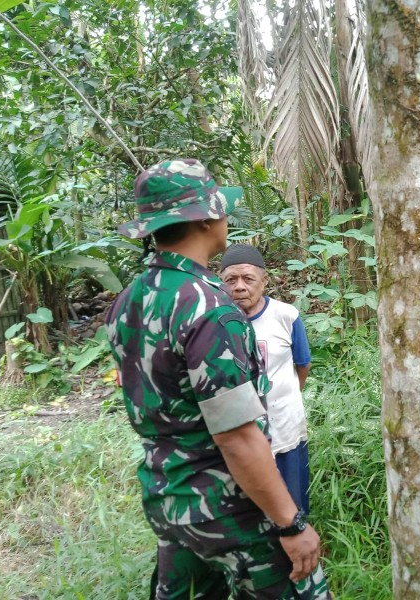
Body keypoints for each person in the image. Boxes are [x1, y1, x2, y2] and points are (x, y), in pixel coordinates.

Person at [105, 158, 330, 599]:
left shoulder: (129, 300)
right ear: (209, 219)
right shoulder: (210, 309)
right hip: (229, 510)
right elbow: (238, 437)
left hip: (168, 501)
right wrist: (291, 522)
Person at [220, 244, 313, 514]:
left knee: (292, 499)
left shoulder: (286, 316)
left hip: (284, 424)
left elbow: (302, 364)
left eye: (248, 279)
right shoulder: (214, 321)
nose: (239, 287)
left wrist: (286, 397)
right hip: (238, 431)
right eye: (230, 280)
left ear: (264, 281)